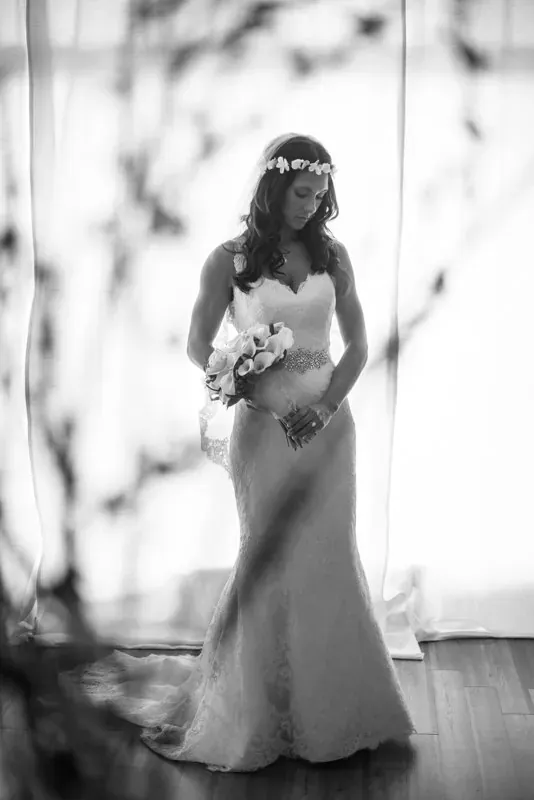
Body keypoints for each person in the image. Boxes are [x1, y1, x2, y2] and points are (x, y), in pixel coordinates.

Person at [66, 133, 416, 772]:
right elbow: (199, 345)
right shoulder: (227, 260)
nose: (312, 205)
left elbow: (360, 344)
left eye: (320, 195)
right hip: (262, 429)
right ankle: (253, 709)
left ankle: (333, 707)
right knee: (265, 554)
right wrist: (248, 381)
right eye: (302, 193)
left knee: (331, 553)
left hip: (330, 430)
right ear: (274, 188)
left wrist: (326, 404)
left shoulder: (333, 257)